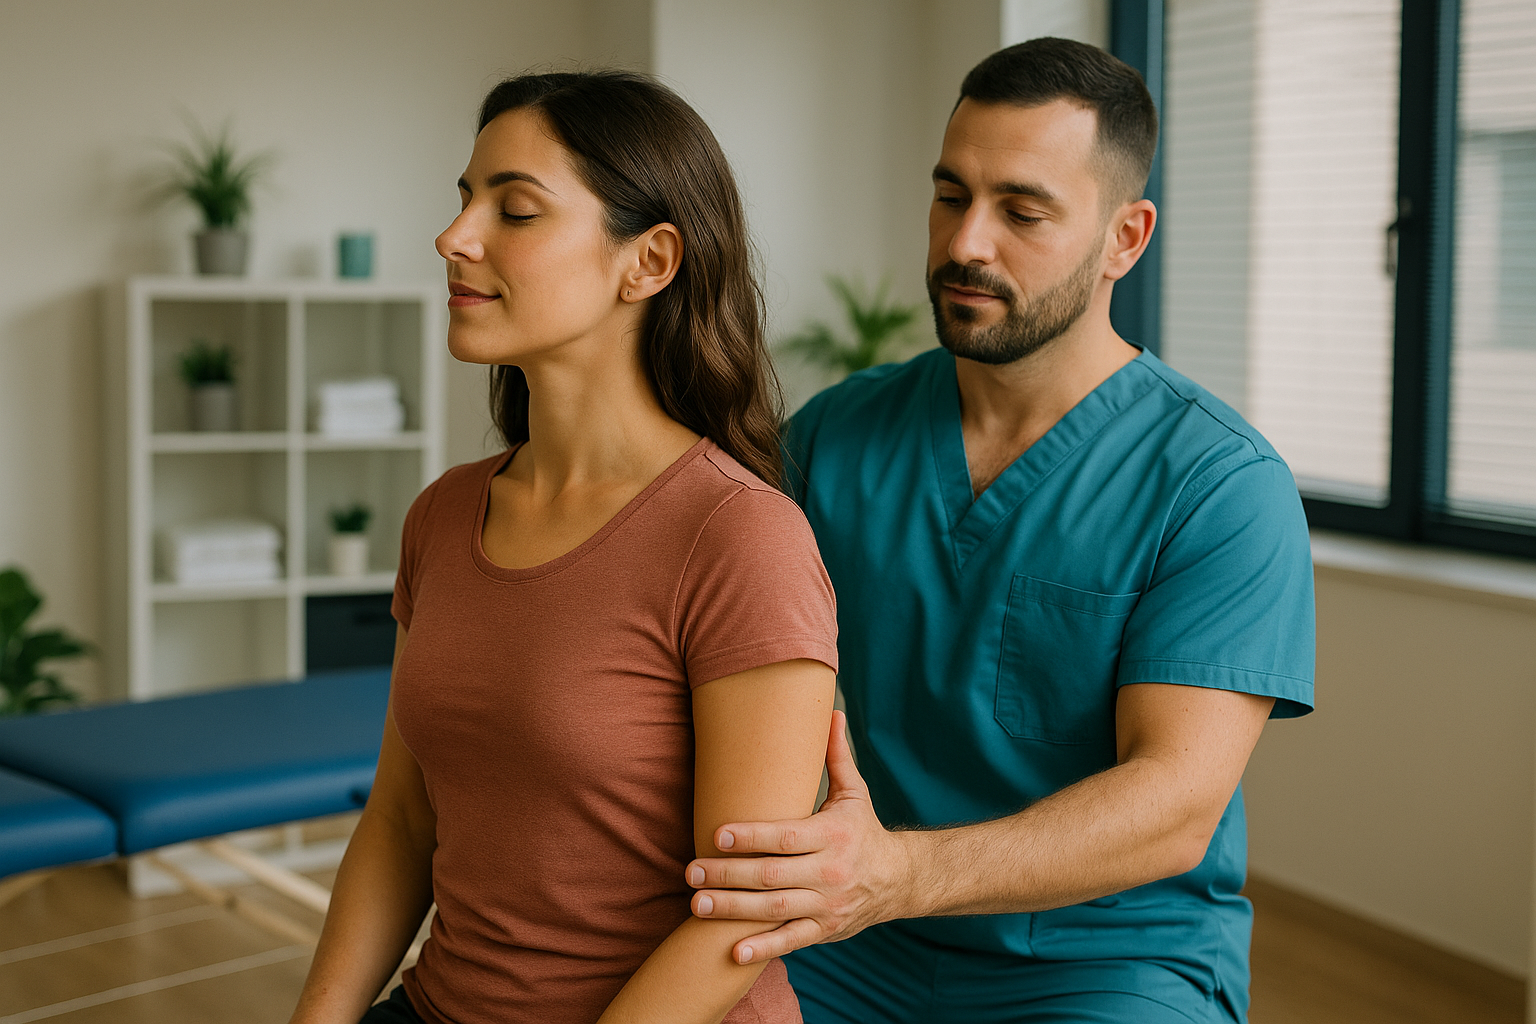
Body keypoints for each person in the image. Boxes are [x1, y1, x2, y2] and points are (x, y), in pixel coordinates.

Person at [682, 37, 1315, 1024]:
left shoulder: (1219, 486)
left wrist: (895, 875)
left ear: (1125, 238)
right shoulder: (838, 436)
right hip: (853, 942)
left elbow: (1174, 807)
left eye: (1022, 211)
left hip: (1107, 959)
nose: (966, 242)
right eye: (950, 196)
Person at [287, 71, 839, 1024]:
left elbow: (744, 911)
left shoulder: (741, 537)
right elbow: (402, 821)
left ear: (649, 261)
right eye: (465, 199)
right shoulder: (443, 515)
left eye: (516, 210)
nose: (454, 237)